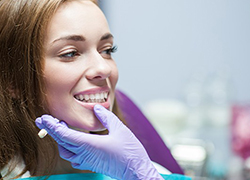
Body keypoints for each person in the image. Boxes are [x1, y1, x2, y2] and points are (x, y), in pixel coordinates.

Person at [0, 0, 190, 179]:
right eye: (70, 53)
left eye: (107, 50)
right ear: (12, 82)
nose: (104, 69)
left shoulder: (146, 172)